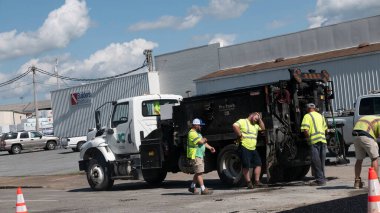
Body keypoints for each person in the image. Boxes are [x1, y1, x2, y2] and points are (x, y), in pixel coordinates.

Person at [232, 112, 265, 189]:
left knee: (258, 164)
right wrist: (240, 135)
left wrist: (260, 119)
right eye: (256, 118)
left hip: (253, 147)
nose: (256, 120)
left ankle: (257, 182)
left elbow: (263, 129)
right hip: (244, 146)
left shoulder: (256, 125)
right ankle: (248, 182)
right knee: (246, 165)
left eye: (258, 119)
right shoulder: (243, 121)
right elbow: (234, 125)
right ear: (251, 115)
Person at [301, 103, 328, 186]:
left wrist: (308, 139)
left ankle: (320, 180)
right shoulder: (321, 116)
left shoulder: (307, 116)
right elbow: (326, 129)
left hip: (314, 141)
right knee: (321, 161)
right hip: (323, 140)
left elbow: (305, 130)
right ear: (315, 108)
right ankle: (322, 177)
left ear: (308, 109)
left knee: (316, 161)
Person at [187, 118, 216, 195]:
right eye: (200, 125)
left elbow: (203, 143)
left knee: (198, 172)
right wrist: (204, 139)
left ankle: (192, 187)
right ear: (196, 125)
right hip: (195, 155)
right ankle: (203, 189)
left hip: (199, 155)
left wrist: (210, 148)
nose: (201, 127)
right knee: (199, 172)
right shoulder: (192, 133)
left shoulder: (198, 133)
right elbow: (200, 141)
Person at [352, 115, 380, 189]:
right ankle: (375, 181)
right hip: (366, 136)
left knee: (359, 159)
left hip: (355, 136)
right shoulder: (379, 120)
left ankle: (357, 182)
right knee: (374, 158)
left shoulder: (370, 118)